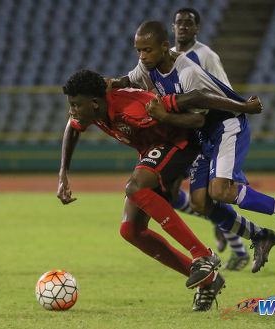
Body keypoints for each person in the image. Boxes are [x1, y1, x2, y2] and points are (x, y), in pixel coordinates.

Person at [110, 20, 275, 271]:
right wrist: (113, 83)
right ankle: (260, 236)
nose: (142, 55)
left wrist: (243, 107)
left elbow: (200, 114)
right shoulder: (147, 66)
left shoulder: (187, 71)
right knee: (200, 203)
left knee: (220, 191)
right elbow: (130, 78)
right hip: (204, 135)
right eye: (138, 50)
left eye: (147, 50)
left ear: (164, 47)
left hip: (225, 125)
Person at [58, 69, 263, 311]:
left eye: (75, 105)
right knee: (131, 230)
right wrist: (63, 173)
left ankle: (203, 255)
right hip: (154, 152)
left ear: (93, 103)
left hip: (183, 144)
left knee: (135, 186)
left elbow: (195, 114)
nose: (72, 111)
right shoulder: (94, 107)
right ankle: (208, 280)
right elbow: (73, 128)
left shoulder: (135, 108)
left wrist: (242, 106)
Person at [169, 7, 249, 269]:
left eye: (188, 23)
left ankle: (237, 249)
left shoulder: (206, 56)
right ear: (172, 27)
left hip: (206, 133)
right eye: (179, 22)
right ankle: (219, 220)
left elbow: (223, 92)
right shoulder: (168, 57)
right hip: (182, 133)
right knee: (171, 194)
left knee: (210, 195)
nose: (183, 27)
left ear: (197, 28)